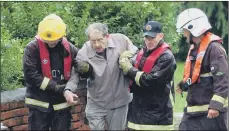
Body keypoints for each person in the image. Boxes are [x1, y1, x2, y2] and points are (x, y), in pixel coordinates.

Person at [63, 22, 138, 130]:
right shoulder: (84, 51)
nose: (97, 44)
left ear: (107, 36)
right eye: (93, 41)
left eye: (100, 40)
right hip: (96, 102)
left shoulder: (121, 40)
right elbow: (75, 74)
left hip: (119, 101)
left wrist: (129, 59)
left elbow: (137, 53)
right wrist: (68, 90)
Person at [23, 14, 78, 130]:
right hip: (38, 103)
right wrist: (55, 87)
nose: (51, 43)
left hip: (62, 105)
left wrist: (86, 69)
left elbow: (78, 69)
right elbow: (30, 75)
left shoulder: (70, 48)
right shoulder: (32, 48)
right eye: (47, 40)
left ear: (62, 35)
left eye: (54, 40)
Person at [176, 8, 228, 130]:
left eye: (185, 31)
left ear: (193, 28)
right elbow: (198, 76)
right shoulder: (195, 49)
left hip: (210, 113)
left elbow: (223, 78)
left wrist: (215, 106)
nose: (184, 35)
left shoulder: (214, 48)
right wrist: (184, 84)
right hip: (193, 113)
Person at [119, 21, 176, 130]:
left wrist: (128, 68)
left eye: (152, 38)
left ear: (161, 35)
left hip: (157, 116)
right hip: (137, 113)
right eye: (146, 38)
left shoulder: (167, 57)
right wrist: (128, 60)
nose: (148, 41)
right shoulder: (143, 52)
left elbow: (150, 80)